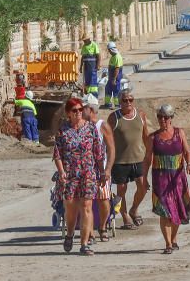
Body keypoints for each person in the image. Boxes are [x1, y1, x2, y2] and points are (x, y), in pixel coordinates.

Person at [54, 97, 104, 255]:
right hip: (69, 174)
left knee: (87, 207)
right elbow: (57, 154)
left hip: (88, 173)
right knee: (71, 207)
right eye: (75, 110)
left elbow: (98, 151)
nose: (78, 113)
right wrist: (61, 171)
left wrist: (102, 172)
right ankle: (69, 234)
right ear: (68, 113)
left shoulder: (90, 128)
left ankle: (84, 244)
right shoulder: (63, 130)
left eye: (81, 110)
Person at [143, 103, 190, 254]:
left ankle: (174, 239)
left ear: (171, 118)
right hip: (160, 179)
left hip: (177, 179)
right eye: (160, 117)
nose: (162, 120)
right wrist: (144, 178)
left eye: (166, 117)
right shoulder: (153, 138)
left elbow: (187, 151)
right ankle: (168, 244)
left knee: (176, 210)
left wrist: (189, 164)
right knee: (165, 211)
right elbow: (147, 159)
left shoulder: (180, 133)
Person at [107, 90, 149, 229]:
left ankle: (134, 209)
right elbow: (107, 140)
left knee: (143, 187)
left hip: (138, 158)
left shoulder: (141, 115)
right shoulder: (113, 117)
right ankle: (125, 217)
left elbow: (146, 136)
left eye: (131, 99)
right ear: (120, 102)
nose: (128, 102)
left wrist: (150, 153)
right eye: (125, 100)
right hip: (120, 161)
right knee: (121, 190)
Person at [83, 95, 116, 241]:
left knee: (103, 200)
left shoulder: (102, 126)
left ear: (90, 109)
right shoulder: (80, 125)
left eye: (83, 108)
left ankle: (102, 226)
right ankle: (89, 231)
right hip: (85, 170)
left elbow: (111, 149)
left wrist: (108, 169)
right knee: (86, 201)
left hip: (100, 169)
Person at [103, 41, 123, 108]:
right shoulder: (113, 57)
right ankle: (108, 104)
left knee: (116, 92)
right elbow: (110, 67)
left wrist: (114, 79)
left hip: (115, 79)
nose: (109, 52)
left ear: (112, 49)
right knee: (108, 89)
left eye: (109, 50)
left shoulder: (117, 57)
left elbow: (117, 69)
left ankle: (117, 105)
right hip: (111, 78)